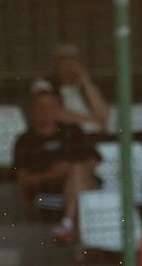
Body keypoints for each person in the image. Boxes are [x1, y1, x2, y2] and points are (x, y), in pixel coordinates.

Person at [13, 89, 100, 244]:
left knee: (78, 170)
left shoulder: (72, 131)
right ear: (32, 110)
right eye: (41, 106)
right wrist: (55, 174)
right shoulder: (25, 140)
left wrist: (73, 172)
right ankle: (73, 230)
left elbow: (93, 160)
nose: (46, 110)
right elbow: (24, 180)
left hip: (81, 185)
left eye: (51, 106)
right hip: (48, 190)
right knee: (79, 179)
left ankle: (67, 225)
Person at [31, 44, 109, 138]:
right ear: (55, 64)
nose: (68, 66)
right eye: (63, 61)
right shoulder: (45, 84)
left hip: (94, 135)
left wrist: (86, 82)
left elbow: (104, 114)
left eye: (72, 61)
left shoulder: (84, 87)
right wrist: (91, 120)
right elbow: (49, 112)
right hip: (66, 136)